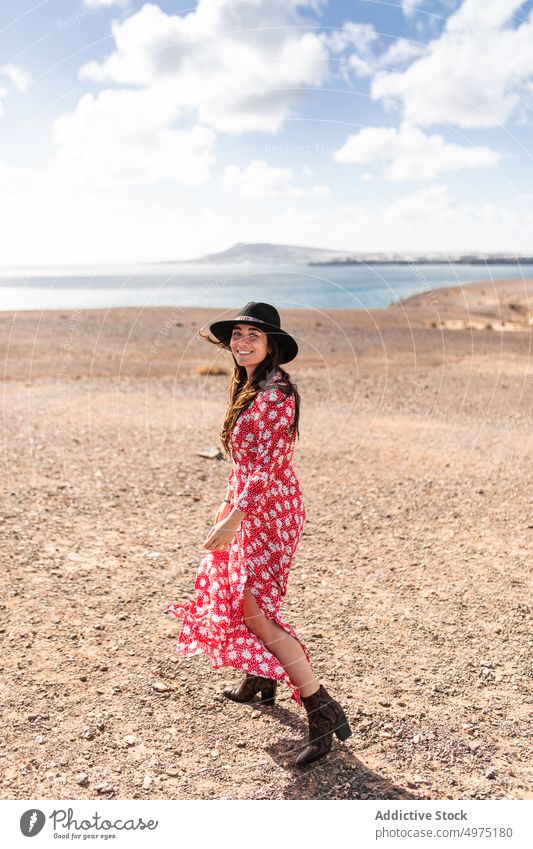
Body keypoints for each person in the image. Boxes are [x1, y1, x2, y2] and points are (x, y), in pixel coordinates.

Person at [166, 302, 351, 766]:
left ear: (270, 346)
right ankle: (261, 680)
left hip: (269, 509)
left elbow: (268, 467)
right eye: (238, 335)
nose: (242, 342)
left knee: (254, 612)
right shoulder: (250, 385)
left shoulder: (273, 394)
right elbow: (247, 465)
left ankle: (321, 709)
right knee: (239, 596)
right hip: (252, 502)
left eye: (253, 336)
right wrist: (230, 507)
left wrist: (234, 518)